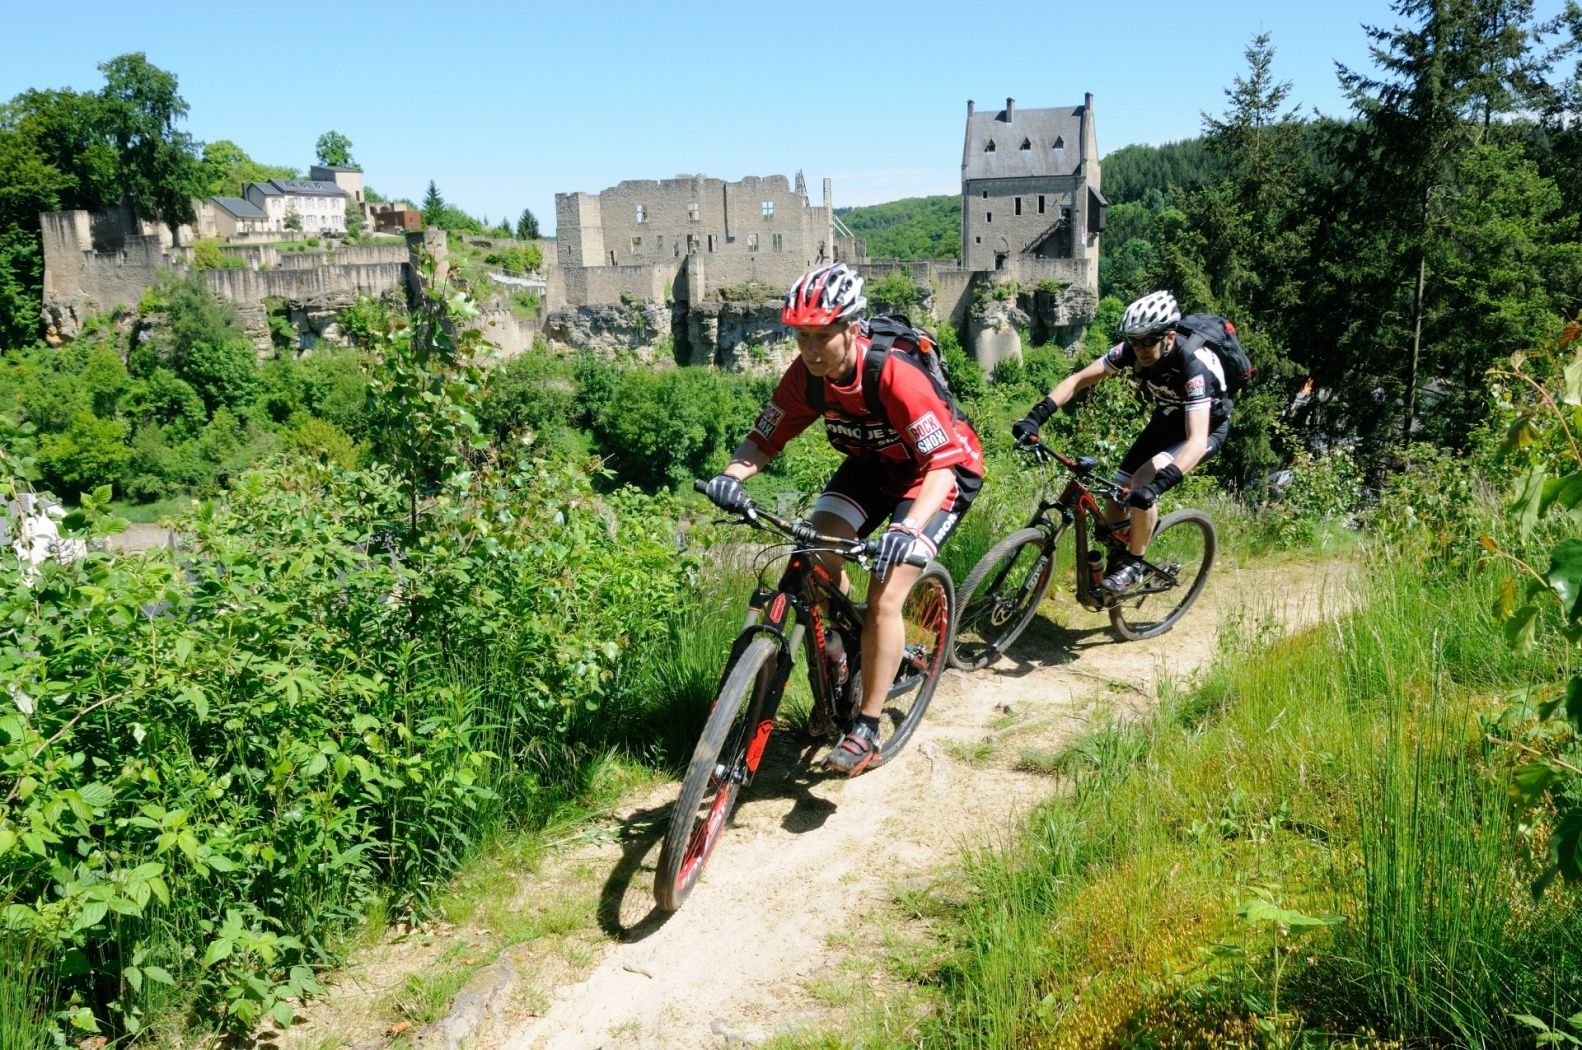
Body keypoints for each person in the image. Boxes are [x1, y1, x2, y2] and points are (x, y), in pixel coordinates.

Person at [704, 262, 984, 776]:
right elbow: (764, 438)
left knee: (886, 592)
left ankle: (867, 728)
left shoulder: (895, 375)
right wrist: (731, 477)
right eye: (800, 337)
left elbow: (941, 465)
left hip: (938, 474)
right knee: (814, 557)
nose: (809, 350)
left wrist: (906, 529)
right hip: (870, 466)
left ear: (851, 329)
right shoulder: (804, 379)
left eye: (821, 337)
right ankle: (842, 648)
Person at [1011, 290, 1232, 593]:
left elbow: (1194, 442)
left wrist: (1155, 488)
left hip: (1205, 429)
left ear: (1168, 336)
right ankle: (1123, 551)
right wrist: (1036, 416)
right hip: (1167, 420)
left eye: (1148, 341)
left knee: (1143, 482)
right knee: (1116, 497)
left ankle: (1135, 565)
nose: (1140, 348)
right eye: (1134, 341)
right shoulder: (1132, 349)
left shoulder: (1194, 365)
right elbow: (1078, 380)